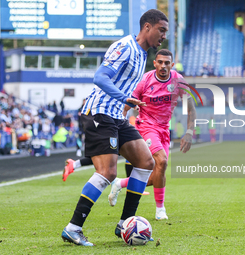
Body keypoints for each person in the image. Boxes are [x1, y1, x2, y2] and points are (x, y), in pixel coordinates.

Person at [61, 9, 168, 247]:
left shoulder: (143, 55)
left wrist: (126, 105)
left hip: (116, 116)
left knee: (146, 162)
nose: (163, 36)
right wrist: (125, 98)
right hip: (99, 112)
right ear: (147, 27)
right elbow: (100, 77)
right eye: (161, 30)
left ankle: (125, 224)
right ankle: (73, 228)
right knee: (108, 172)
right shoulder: (125, 47)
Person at [62, 49, 196, 222]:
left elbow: (191, 106)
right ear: (154, 63)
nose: (163, 66)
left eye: (167, 63)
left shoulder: (178, 80)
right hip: (146, 126)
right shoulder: (145, 80)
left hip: (164, 129)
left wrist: (190, 132)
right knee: (161, 161)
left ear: (171, 64)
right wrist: (120, 125)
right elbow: (127, 104)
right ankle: (160, 209)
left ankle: (121, 183)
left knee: (156, 174)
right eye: (160, 62)